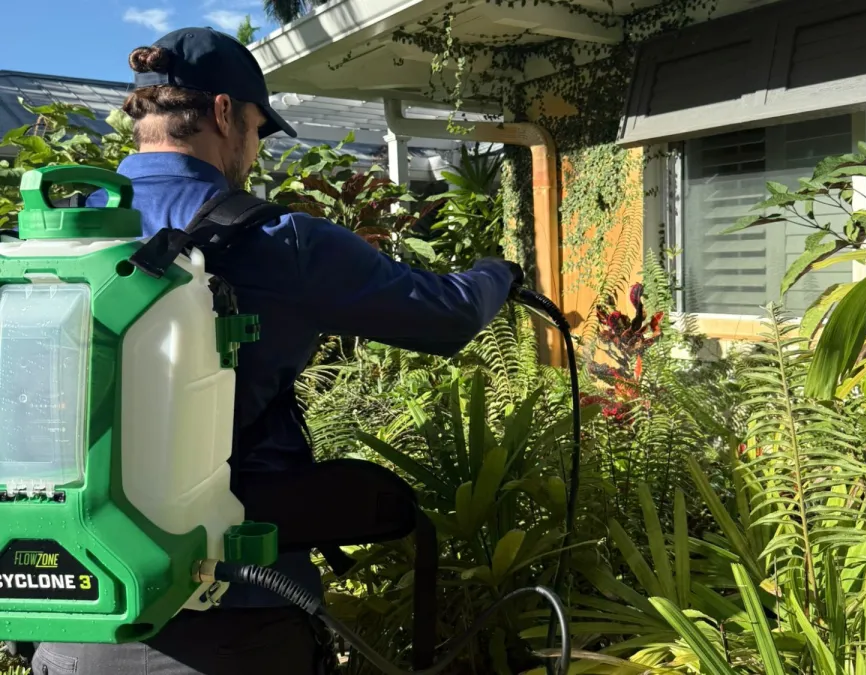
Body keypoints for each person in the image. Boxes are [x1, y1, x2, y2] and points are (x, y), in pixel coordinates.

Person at [28, 26, 520, 675]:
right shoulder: (283, 242)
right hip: (239, 625)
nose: (255, 150)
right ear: (227, 113)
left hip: (70, 621)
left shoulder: (46, 244)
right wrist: (500, 274)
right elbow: (445, 315)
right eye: (260, 128)